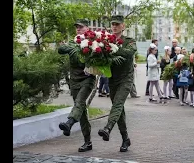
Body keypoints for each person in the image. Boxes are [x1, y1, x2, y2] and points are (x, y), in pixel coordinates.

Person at [98, 15, 137, 152]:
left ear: (123, 26)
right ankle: (125, 138)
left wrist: (114, 48)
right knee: (119, 110)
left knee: (117, 104)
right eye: (113, 24)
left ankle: (108, 128)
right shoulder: (105, 41)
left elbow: (130, 52)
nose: (114, 26)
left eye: (117, 24)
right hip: (112, 79)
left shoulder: (129, 41)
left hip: (126, 79)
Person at [58, 19, 96, 152]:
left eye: (81, 27)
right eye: (76, 27)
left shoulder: (94, 42)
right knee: (81, 111)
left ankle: (69, 123)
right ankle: (88, 142)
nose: (78, 29)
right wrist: (75, 46)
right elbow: (61, 49)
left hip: (87, 79)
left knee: (79, 103)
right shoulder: (73, 41)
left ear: (87, 28)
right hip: (74, 81)